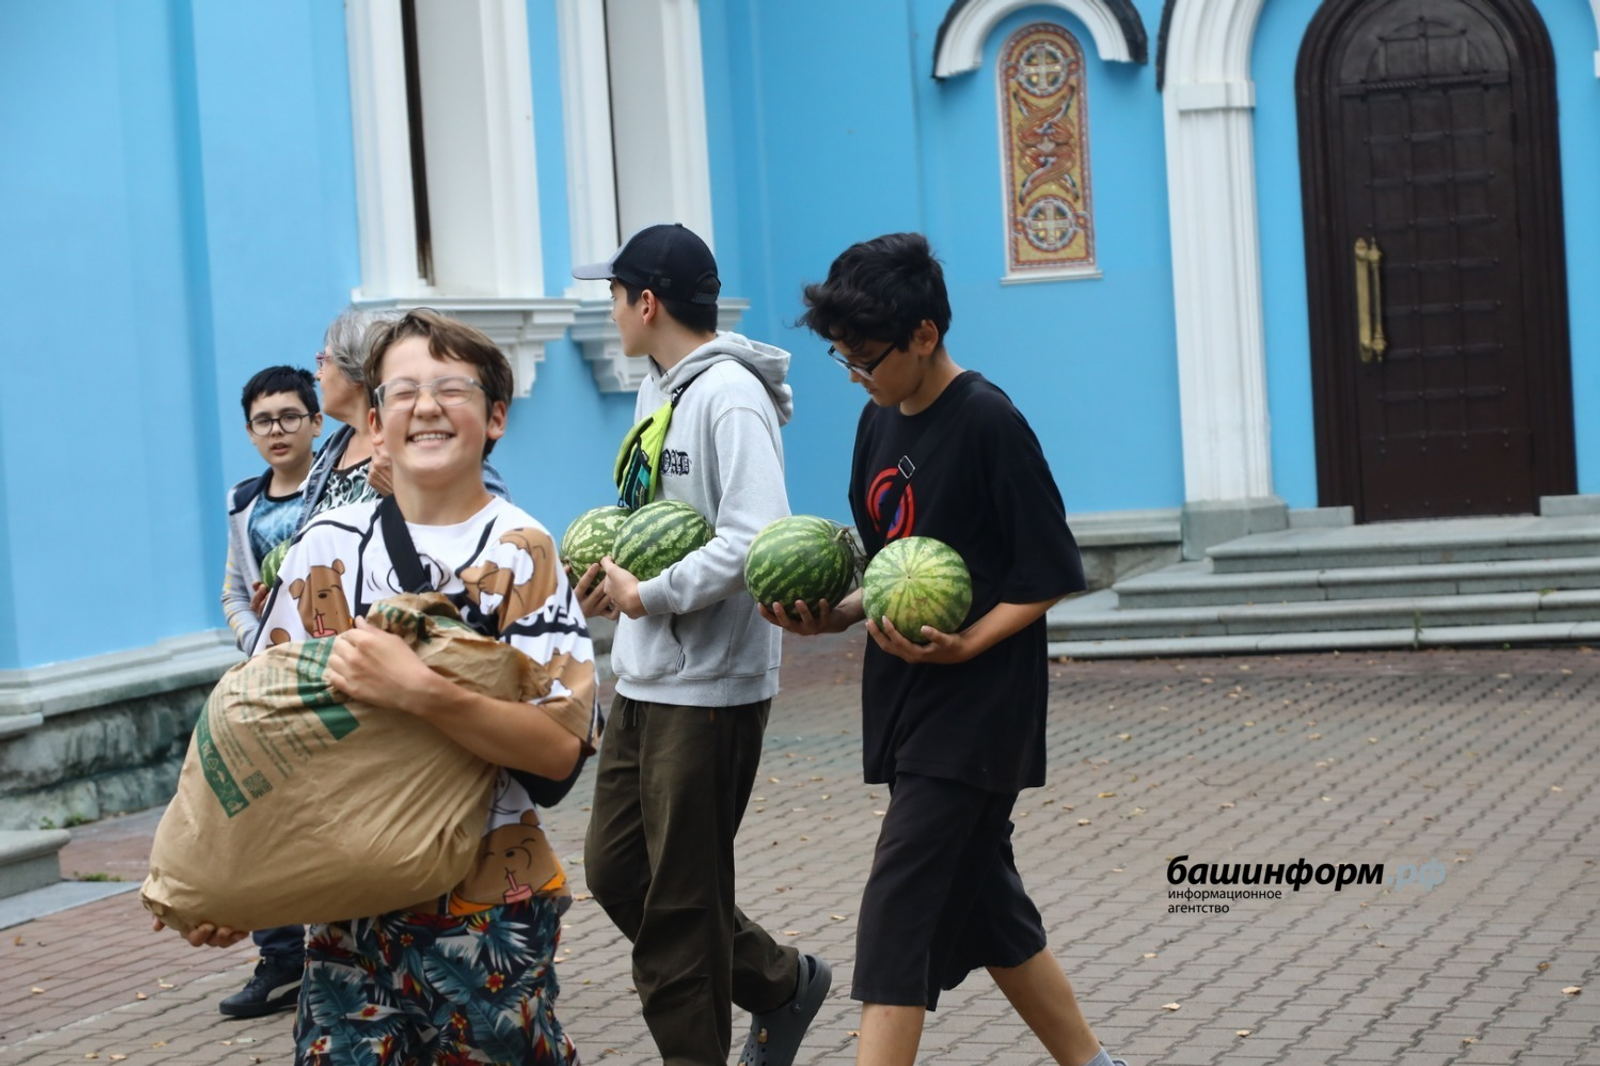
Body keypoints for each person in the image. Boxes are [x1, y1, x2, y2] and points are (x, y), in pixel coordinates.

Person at [159, 309, 600, 1064]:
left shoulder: (522, 552)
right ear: (373, 422)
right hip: (344, 907)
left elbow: (559, 750)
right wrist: (231, 880)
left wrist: (422, 692)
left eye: (451, 388)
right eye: (403, 391)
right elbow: (263, 726)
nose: (426, 406)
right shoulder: (325, 548)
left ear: (496, 417)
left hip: (485, 911)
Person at [765, 232, 1128, 1066]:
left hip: (979, 712)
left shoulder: (989, 421)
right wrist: (838, 614)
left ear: (924, 334)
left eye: (866, 357)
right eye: (842, 357)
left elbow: (1049, 571)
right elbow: (891, 563)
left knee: (897, 917)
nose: (855, 374)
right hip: (907, 700)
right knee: (988, 909)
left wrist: (967, 647)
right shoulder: (875, 421)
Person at [570, 223, 830, 1066]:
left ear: (646, 302)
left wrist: (648, 593)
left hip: (710, 686)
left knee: (681, 908)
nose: (611, 313)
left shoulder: (729, 396)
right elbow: (655, 523)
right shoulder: (658, 389)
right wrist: (612, 581)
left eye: (615, 297)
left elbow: (757, 535)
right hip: (644, 675)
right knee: (618, 872)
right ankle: (781, 983)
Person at [214, 366, 324, 1019]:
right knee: (261, 810)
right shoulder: (243, 500)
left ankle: (340, 951)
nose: (277, 430)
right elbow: (234, 591)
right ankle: (281, 959)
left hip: (334, 671)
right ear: (250, 432)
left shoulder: (337, 490)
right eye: (263, 421)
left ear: (316, 421)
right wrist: (258, 640)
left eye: (289, 416)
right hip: (270, 674)